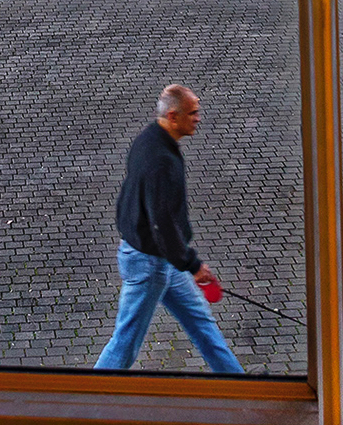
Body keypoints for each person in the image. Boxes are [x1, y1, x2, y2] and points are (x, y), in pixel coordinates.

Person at [94, 84, 243, 375]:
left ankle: (241, 386)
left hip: (159, 259)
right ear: (173, 117)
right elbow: (161, 223)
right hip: (150, 263)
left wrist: (184, 260)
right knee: (125, 344)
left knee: (202, 324)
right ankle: (86, 401)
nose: (198, 118)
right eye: (193, 112)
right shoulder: (162, 160)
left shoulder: (147, 140)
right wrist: (192, 264)